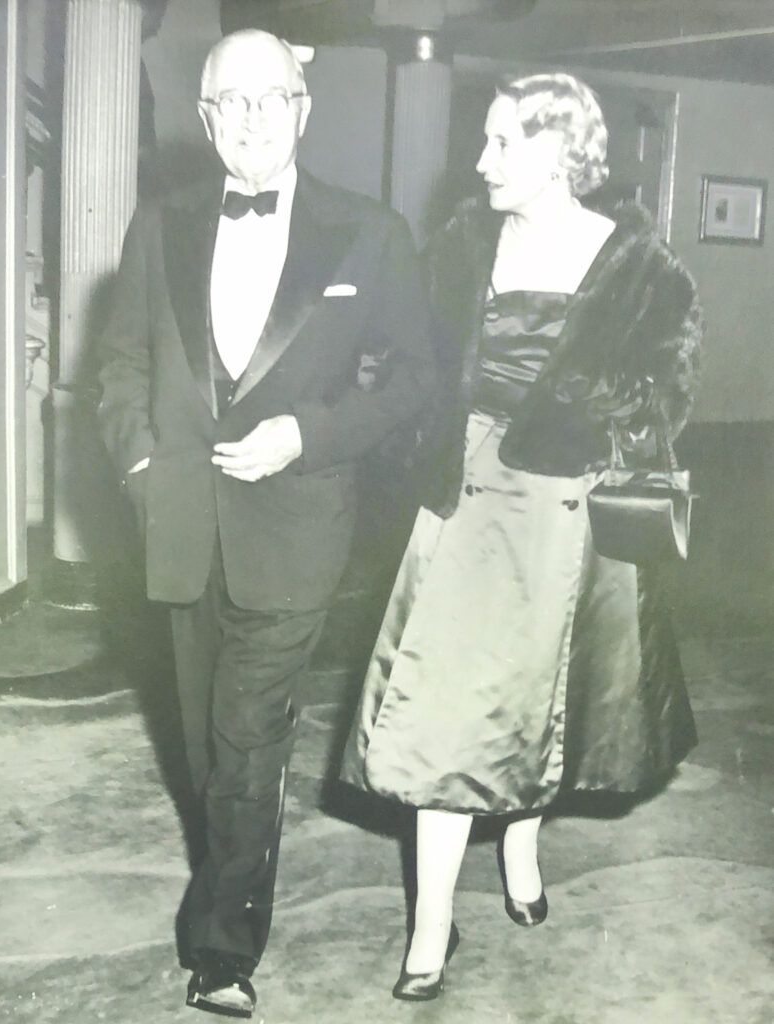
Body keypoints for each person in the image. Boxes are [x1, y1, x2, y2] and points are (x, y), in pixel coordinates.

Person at [341, 71, 702, 1001]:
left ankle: (524, 853)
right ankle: (429, 933)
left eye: (502, 143)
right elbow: (415, 362)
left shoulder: (638, 266)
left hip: (561, 509)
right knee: (442, 713)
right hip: (460, 502)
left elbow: (668, 389)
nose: (480, 161)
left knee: (545, 702)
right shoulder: (463, 244)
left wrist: (592, 421)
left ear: (556, 152)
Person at [97, 29, 432, 1018]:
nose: (250, 118)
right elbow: (120, 365)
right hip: (182, 522)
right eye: (228, 102)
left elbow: (416, 378)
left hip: (298, 526)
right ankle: (233, 868)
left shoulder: (368, 233)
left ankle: (224, 950)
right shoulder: (161, 224)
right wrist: (142, 464)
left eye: (270, 97)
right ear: (203, 120)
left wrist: (310, 431)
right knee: (207, 749)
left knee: (249, 735)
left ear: (303, 107)